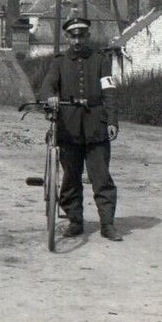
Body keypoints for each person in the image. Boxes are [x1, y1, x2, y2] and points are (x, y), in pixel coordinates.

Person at [39, 14, 123, 241]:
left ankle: (107, 224)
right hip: (68, 128)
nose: (77, 41)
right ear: (68, 37)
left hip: (97, 128)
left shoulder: (101, 60)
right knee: (70, 178)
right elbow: (47, 85)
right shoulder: (59, 62)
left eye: (81, 36)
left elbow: (110, 92)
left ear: (88, 36)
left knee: (102, 178)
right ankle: (75, 221)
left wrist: (113, 121)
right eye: (73, 37)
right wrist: (50, 97)